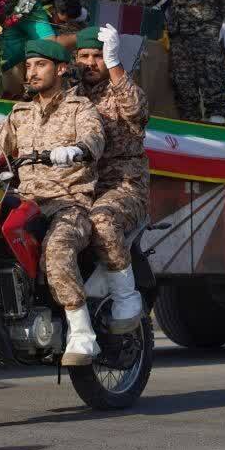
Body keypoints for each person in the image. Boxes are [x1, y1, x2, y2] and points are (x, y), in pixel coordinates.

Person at [0, 39, 107, 366]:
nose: (31, 71)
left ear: (60, 69)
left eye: (40, 65)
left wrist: (76, 150)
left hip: (68, 202)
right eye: (29, 65)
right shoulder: (21, 114)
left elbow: (94, 138)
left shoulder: (80, 108)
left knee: (58, 249)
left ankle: (82, 332)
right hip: (27, 201)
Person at [73, 24, 148, 332]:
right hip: (78, 187)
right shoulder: (70, 95)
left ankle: (126, 298)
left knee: (101, 221)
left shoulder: (120, 90)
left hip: (123, 187)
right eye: (84, 56)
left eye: (98, 56)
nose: (91, 63)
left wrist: (114, 62)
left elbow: (138, 111)